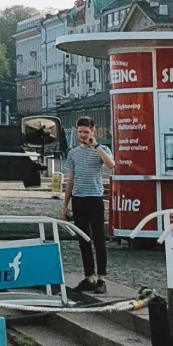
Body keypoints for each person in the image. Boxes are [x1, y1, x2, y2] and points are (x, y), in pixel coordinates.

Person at [63, 117, 116, 296]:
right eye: (80, 132)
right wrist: (65, 203)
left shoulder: (102, 150)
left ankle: (102, 278)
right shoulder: (73, 153)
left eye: (86, 132)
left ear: (93, 132)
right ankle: (89, 276)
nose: (83, 135)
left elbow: (111, 165)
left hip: (94, 198)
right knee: (83, 240)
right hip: (79, 199)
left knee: (98, 239)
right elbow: (70, 178)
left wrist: (96, 146)